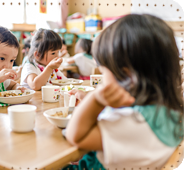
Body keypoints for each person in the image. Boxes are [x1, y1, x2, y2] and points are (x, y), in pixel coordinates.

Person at [64, 14, 184, 170]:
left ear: (127, 76)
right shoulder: (166, 113)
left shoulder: (134, 123)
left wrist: (95, 100)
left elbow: (76, 136)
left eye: (103, 72)